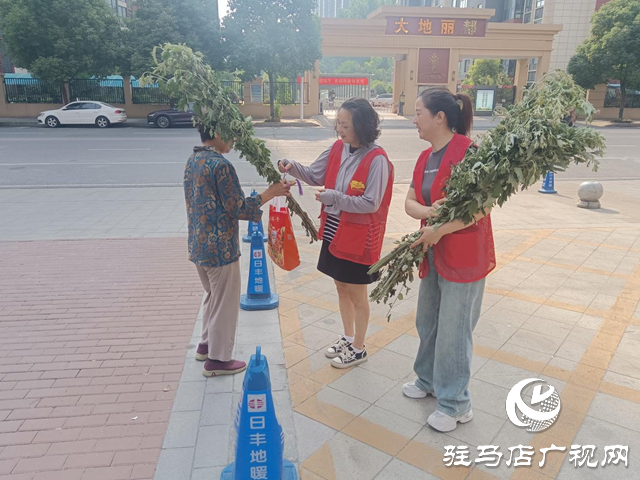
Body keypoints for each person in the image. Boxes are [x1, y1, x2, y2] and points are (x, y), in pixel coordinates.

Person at [402, 89, 496, 432]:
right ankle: (426, 380)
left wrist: (440, 229)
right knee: (428, 322)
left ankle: (456, 404)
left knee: (455, 332)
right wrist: (429, 215)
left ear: (439, 117)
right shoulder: (425, 157)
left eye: (418, 113)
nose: (414, 120)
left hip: (464, 257)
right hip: (433, 251)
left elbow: (483, 206)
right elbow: (409, 201)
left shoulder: (468, 153)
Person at [278, 98, 394, 368]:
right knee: (340, 285)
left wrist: (334, 198)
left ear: (362, 127)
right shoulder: (337, 149)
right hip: (334, 230)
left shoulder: (377, 159)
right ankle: (348, 336)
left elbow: (371, 203)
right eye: (337, 123)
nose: (339, 129)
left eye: (345, 124)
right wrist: (290, 165)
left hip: (359, 236)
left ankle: (359, 347)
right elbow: (313, 174)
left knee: (357, 292)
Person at [185, 122, 291, 377]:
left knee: (213, 297)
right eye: (230, 133)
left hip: (199, 245)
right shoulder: (221, 165)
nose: (233, 139)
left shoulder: (194, 159)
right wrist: (270, 192)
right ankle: (218, 360)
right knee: (225, 303)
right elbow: (239, 208)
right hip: (220, 248)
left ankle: (206, 345)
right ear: (217, 132)